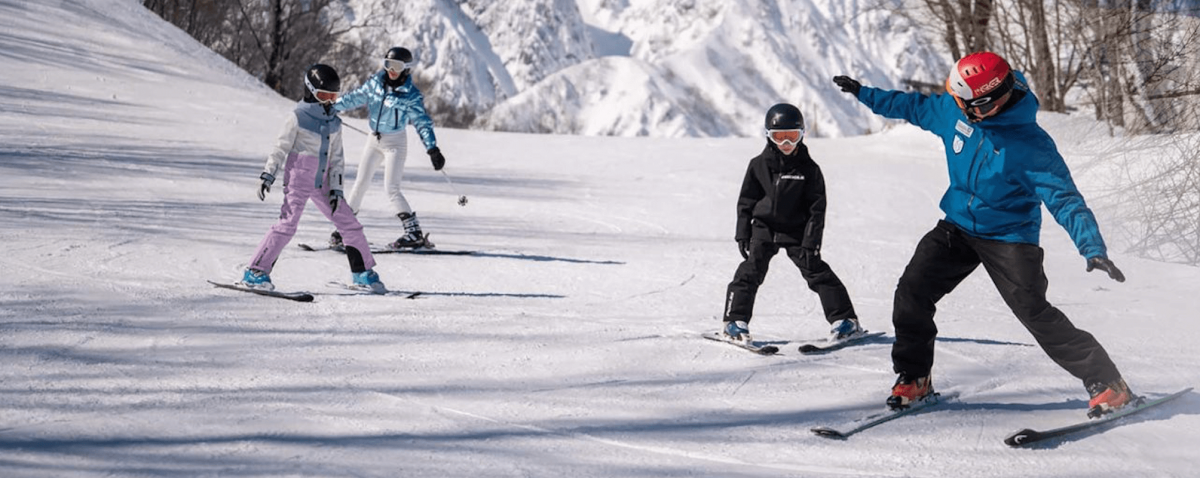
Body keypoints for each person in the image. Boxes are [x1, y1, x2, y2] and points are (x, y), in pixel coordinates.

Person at [832, 51, 1131, 416]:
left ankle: (1108, 383)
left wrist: (1092, 247)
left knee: (1033, 310)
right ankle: (915, 377)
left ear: (989, 102)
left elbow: (1064, 198)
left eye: (965, 103)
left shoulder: (1032, 145)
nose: (957, 107)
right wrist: (865, 93)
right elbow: (913, 106)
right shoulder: (956, 112)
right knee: (912, 291)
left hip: (1009, 235)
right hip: (957, 226)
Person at [721, 103, 863, 346]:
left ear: (801, 135)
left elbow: (816, 211)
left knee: (817, 271)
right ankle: (734, 322)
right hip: (764, 228)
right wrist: (742, 233)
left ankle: (845, 320)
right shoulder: (758, 165)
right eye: (779, 137)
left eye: (792, 137)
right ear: (768, 136)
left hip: (796, 230)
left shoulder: (809, 169)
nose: (786, 144)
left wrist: (812, 242)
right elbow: (746, 201)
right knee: (750, 271)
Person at [242, 64, 385, 293]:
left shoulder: (335, 123)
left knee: (349, 223)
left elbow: (337, 158)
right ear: (310, 91)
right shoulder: (297, 117)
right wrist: (268, 175)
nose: (328, 101)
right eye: (323, 96)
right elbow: (280, 148)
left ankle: (362, 273)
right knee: (287, 224)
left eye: (332, 96)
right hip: (299, 177)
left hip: (325, 181)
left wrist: (337, 190)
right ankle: (256, 271)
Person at [329, 46, 446, 250]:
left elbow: (422, 122)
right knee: (360, 184)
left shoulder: (410, 95)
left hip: (395, 144)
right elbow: (354, 98)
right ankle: (345, 229)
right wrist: (331, 106)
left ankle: (414, 233)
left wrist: (432, 148)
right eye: (388, 64)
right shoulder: (375, 83)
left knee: (391, 188)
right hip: (373, 140)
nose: (391, 70)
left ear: (406, 68)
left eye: (397, 66)